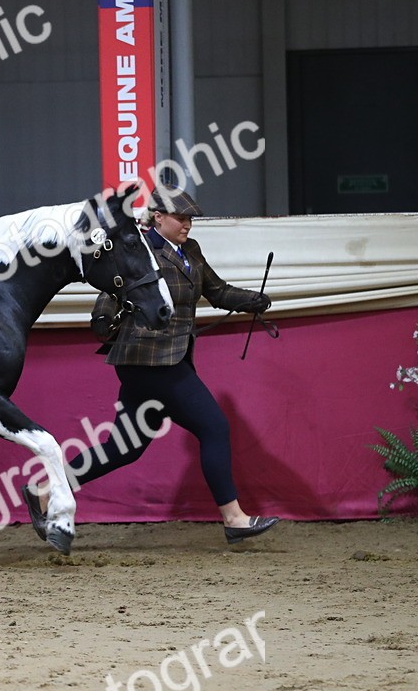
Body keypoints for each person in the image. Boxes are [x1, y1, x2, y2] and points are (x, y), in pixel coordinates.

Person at [23, 188, 279, 545]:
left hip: (162, 359)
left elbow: (216, 291)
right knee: (214, 427)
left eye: (191, 219)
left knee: (124, 448)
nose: (188, 224)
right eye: (181, 218)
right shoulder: (140, 246)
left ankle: (43, 492)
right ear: (158, 216)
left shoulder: (191, 251)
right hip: (150, 361)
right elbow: (114, 287)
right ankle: (234, 518)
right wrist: (102, 316)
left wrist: (252, 301)